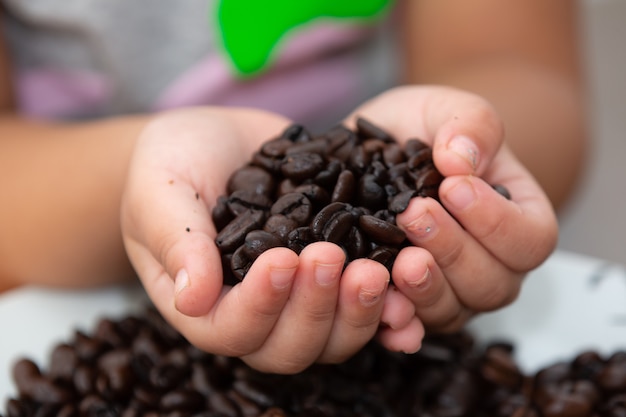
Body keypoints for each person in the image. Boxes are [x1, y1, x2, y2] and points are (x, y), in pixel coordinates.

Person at [0, 0, 585, 373]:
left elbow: (518, 66)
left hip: (408, 297)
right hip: (57, 258)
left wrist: (466, 161)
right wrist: (135, 174)